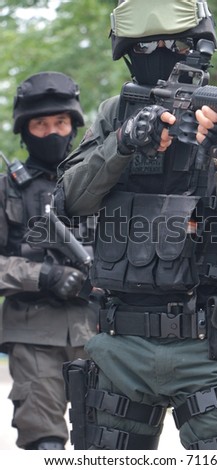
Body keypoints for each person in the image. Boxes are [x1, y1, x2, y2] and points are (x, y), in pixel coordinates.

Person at [54, 0, 217, 450]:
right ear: (128, 51)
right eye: (148, 45)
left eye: (175, 44)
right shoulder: (116, 112)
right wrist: (123, 144)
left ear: (198, 47)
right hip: (119, 344)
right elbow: (69, 203)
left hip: (209, 342)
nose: (161, 52)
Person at [0, 71, 98, 450]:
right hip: (33, 334)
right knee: (45, 443)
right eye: (41, 125)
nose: (53, 133)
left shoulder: (97, 184)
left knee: (108, 441)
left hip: (99, 330)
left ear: (74, 126)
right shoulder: (8, 189)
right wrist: (44, 275)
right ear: (24, 131)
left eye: (61, 123)